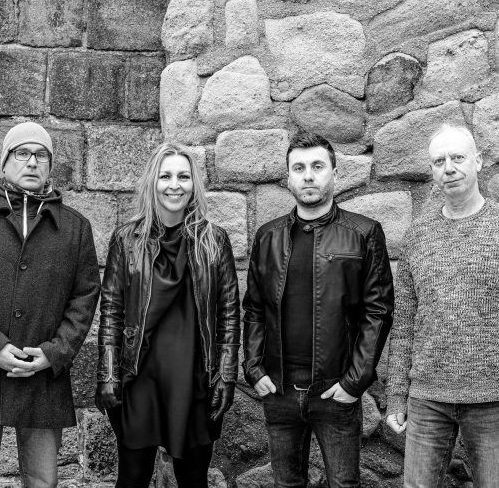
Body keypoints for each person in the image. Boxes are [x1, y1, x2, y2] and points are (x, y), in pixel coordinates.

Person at [243, 131, 394, 487]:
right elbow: (254, 308)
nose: (308, 176)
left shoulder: (364, 233)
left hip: (335, 392)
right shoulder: (267, 236)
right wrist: (253, 368)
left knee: (343, 483)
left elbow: (378, 312)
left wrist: (354, 382)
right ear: (288, 178)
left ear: (334, 174)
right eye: (299, 168)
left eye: (317, 166)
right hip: (278, 390)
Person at [95, 142, 240, 488]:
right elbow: (111, 311)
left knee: (193, 479)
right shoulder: (126, 239)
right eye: (166, 176)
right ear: (153, 182)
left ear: (194, 184)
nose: (174, 185)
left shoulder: (214, 240)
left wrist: (226, 375)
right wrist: (108, 374)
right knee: (132, 478)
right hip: (139, 379)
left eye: (183, 177)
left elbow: (229, 314)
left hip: (194, 380)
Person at [386, 124, 499, 487]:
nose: (448, 168)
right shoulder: (418, 235)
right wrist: (396, 396)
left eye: (457, 158)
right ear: (432, 171)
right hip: (427, 399)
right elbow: (404, 323)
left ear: (478, 161)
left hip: (492, 397)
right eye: (439, 161)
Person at [0, 122, 100, 486]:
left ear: (50, 165)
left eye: (41, 155)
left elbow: (85, 297)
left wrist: (54, 352)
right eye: (22, 153)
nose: (32, 162)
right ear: (5, 162)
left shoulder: (75, 228)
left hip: (42, 376)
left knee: (42, 481)